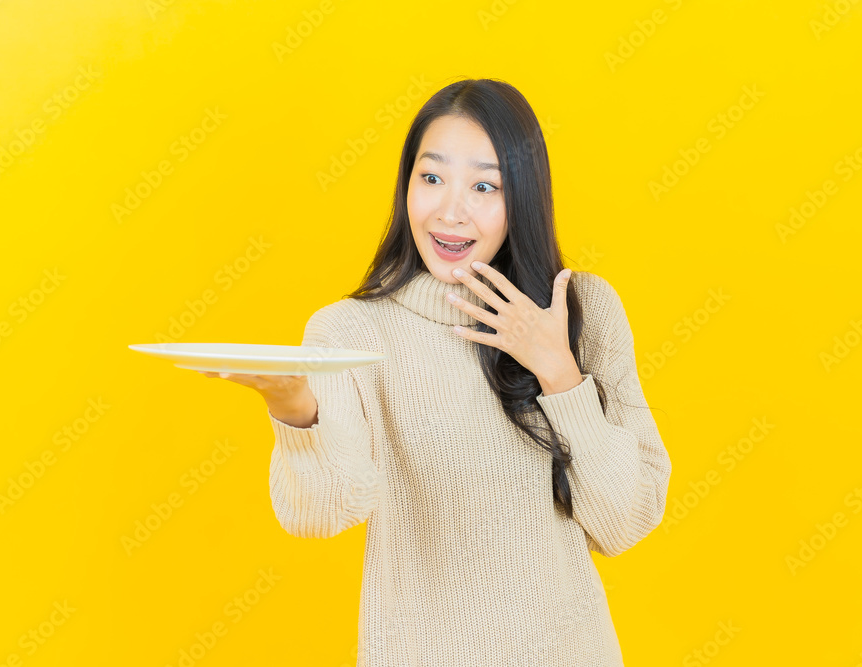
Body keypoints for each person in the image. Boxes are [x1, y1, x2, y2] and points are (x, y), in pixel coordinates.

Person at [201, 78, 672, 666]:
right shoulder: (350, 332)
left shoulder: (584, 310)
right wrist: (295, 408)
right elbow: (321, 514)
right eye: (431, 178)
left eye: (484, 185)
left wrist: (559, 373)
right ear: (406, 188)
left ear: (523, 197)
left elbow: (624, 521)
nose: (451, 211)